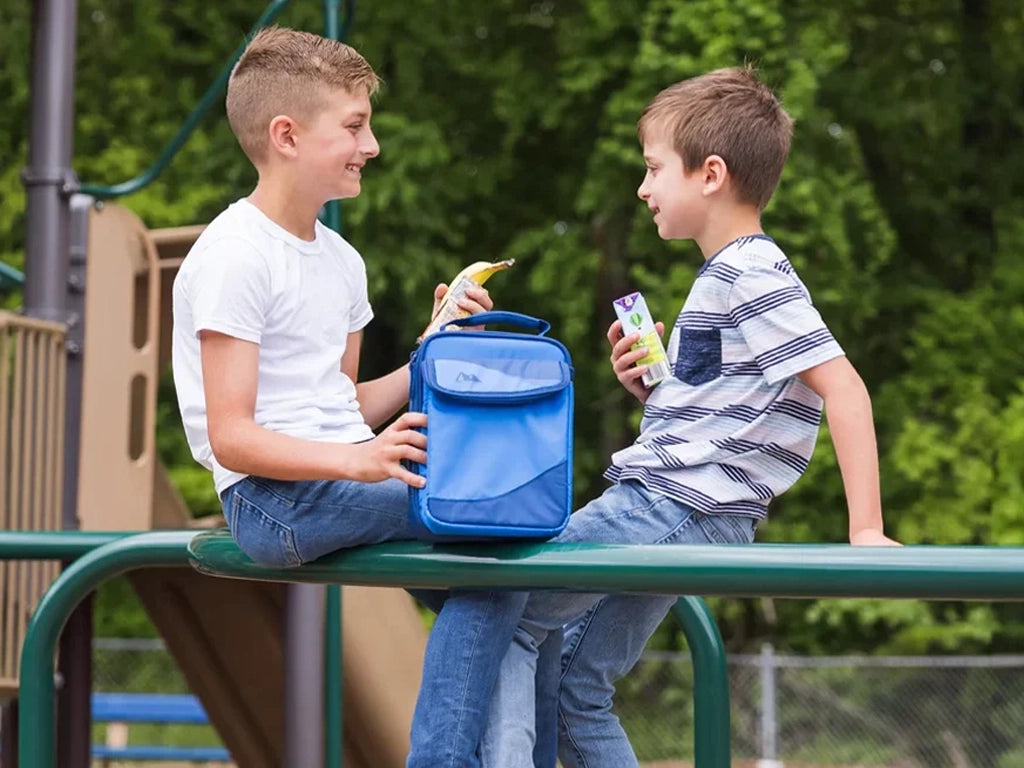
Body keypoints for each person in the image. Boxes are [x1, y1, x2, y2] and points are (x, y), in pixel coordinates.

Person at [416, 65, 900, 768]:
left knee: (502, 612)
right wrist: (656, 391)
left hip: (671, 504)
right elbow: (723, 415)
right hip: (694, 507)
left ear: (710, 174)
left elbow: (845, 387)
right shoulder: (726, 274)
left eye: (652, 170)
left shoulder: (751, 272)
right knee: (576, 685)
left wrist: (866, 530)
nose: (643, 189)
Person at [169, 26, 528, 767]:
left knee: (507, 580)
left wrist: (428, 354)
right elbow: (233, 436)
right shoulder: (233, 257)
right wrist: (358, 463)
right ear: (286, 135)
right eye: (356, 127)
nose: (372, 147)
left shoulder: (341, 261)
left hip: (336, 477)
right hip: (270, 500)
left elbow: (342, 404)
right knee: (492, 531)